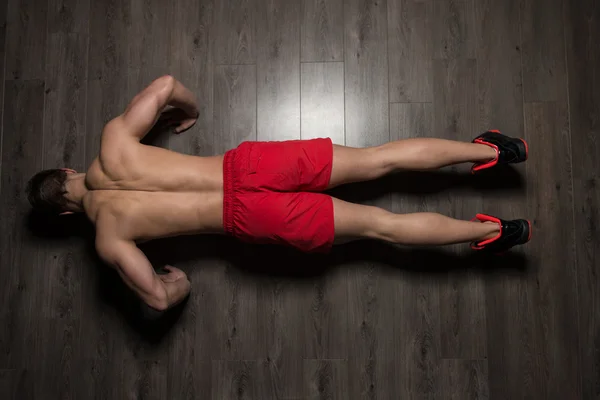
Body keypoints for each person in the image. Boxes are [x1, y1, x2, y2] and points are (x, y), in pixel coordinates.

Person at [26, 75, 531, 311]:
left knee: (384, 226)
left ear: (66, 216)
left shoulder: (108, 239)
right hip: (246, 165)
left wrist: (178, 282)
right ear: (67, 169)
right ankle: (489, 152)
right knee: (381, 158)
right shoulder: (113, 141)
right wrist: (190, 110)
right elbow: (165, 86)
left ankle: (495, 231)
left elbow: (157, 298)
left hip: (248, 217)